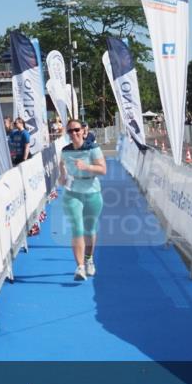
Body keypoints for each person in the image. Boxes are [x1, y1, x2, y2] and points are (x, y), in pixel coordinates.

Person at [59, 119, 107, 281]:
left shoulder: (93, 148)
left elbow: (103, 170)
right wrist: (62, 177)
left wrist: (86, 167)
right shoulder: (65, 151)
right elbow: (62, 167)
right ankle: (79, 267)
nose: (74, 133)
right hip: (73, 193)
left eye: (76, 130)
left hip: (92, 191)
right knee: (77, 229)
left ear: (83, 130)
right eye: (70, 131)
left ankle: (89, 259)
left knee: (90, 230)